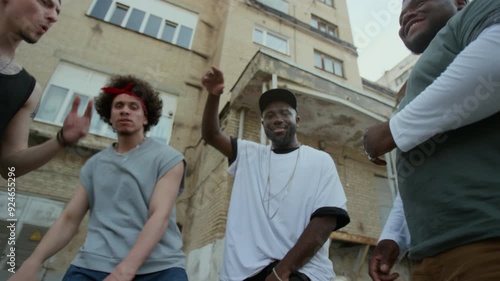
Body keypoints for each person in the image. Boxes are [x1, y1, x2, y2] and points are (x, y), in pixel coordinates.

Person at [364, 0, 500, 280]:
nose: (405, 16)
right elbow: (422, 167)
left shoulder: (479, 12)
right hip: (426, 258)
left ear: (460, 2)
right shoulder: (415, 85)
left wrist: (393, 130)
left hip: (486, 242)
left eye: (419, 2)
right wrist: (394, 235)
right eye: (401, 15)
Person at [9, 75, 188, 281]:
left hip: (159, 268)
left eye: (134, 107)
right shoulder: (94, 165)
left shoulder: (168, 158)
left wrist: (125, 270)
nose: (125, 110)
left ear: (146, 118)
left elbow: (160, 216)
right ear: (109, 116)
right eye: (118, 105)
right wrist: (33, 262)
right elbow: (69, 219)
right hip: (92, 266)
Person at [201, 67, 350, 281]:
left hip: (300, 272)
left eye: (284, 113)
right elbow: (211, 134)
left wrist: (281, 273)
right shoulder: (248, 155)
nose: (277, 119)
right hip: (243, 273)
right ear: (263, 125)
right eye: (270, 116)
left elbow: (325, 223)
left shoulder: (320, 160)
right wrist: (214, 95)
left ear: (297, 120)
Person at [0, 0, 92, 179]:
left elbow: (9, 169)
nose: (54, 17)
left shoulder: (28, 89)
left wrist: (61, 140)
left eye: (57, 11)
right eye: (44, 3)